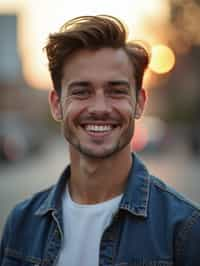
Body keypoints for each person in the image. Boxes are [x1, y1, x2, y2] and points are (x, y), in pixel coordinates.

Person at [0, 15, 200, 266]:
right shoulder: (20, 224)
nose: (100, 108)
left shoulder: (185, 230)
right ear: (56, 104)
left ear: (140, 103)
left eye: (116, 91)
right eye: (81, 91)